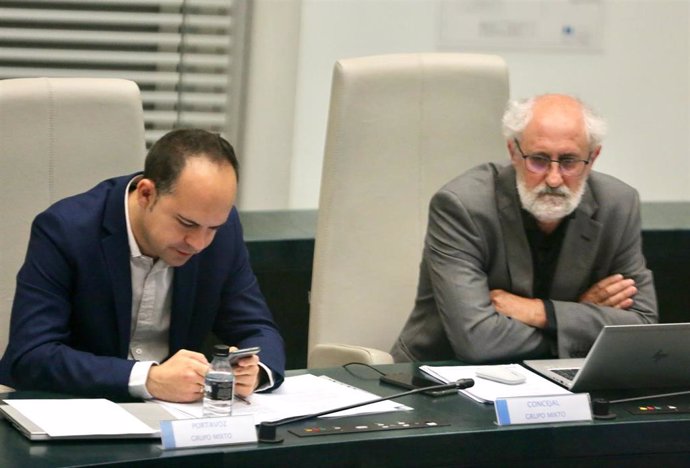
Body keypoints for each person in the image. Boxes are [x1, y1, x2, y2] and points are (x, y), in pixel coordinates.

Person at [0, 129, 285, 402]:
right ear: (146, 193)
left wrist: (255, 371)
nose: (198, 243)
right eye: (186, 223)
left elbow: (257, 328)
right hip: (77, 414)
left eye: (213, 228)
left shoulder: (223, 231)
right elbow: (31, 355)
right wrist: (148, 379)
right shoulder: (66, 230)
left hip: (175, 422)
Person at [391, 94, 658, 363]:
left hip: (559, 381)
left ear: (593, 157)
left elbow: (642, 327)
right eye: (539, 160)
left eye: (569, 162)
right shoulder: (463, 206)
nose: (554, 179)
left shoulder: (618, 205)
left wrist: (542, 313)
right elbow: (478, 342)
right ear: (513, 152)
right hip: (443, 379)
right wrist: (577, 324)